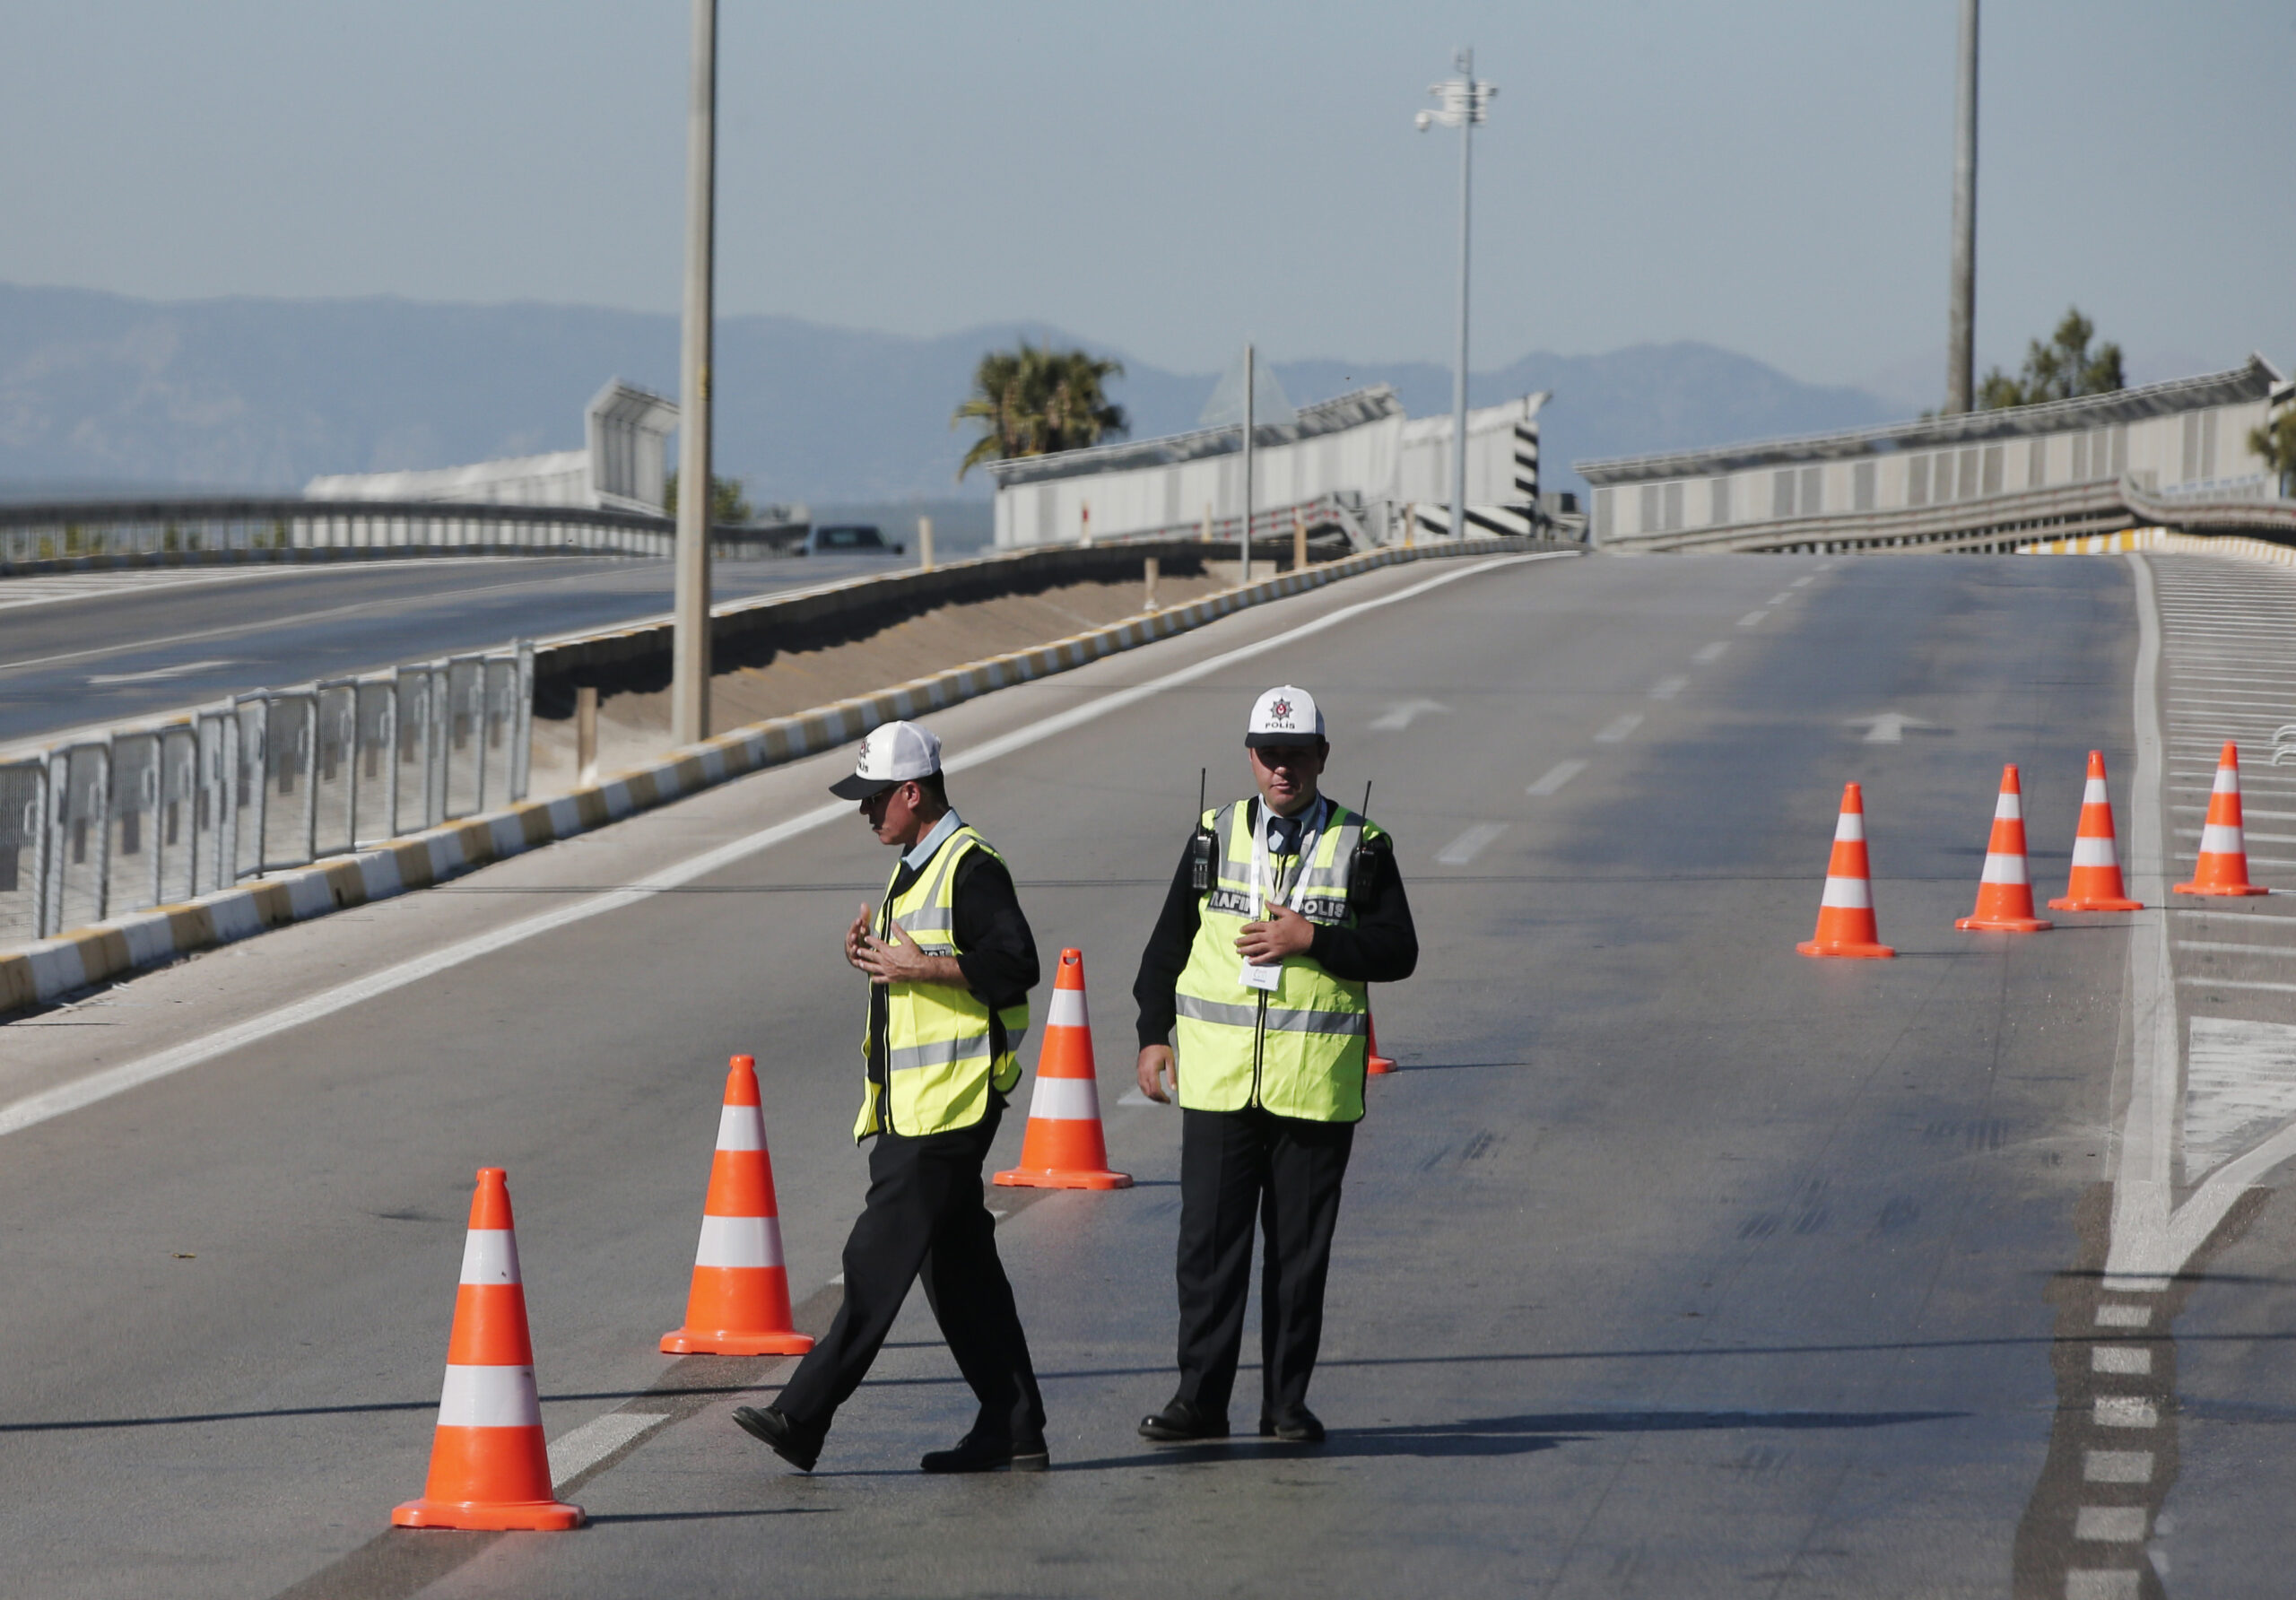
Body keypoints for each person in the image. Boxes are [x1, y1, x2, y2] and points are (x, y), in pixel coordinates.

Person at [732, 720, 1049, 1474]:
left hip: (950, 1105)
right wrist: (873, 958)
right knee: (959, 1269)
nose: (866, 813)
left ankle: (801, 1416)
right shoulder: (914, 863)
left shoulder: (971, 866)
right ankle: (1014, 1425)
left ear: (913, 793)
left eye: (875, 800)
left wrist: (921, 966)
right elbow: (914, 971)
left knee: (874, 1260)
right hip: (918, 1104)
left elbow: (1016, 962)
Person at [1132, 685, 1418, 1445]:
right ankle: (1200, 1400)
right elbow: (1167, 945)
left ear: (1322, 757)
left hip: (1311, 1087)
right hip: (1222, 1078)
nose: (1282, 770)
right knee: (1209, 1252)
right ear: (1251, 758)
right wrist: (1152, 1032)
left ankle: (1286, 1405)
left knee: (1297, 1257)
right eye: (1269, 755)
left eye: (1296, 756)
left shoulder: (1363, 844)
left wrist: (1314, 940)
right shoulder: (1213, 835)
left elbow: (1399, 952)